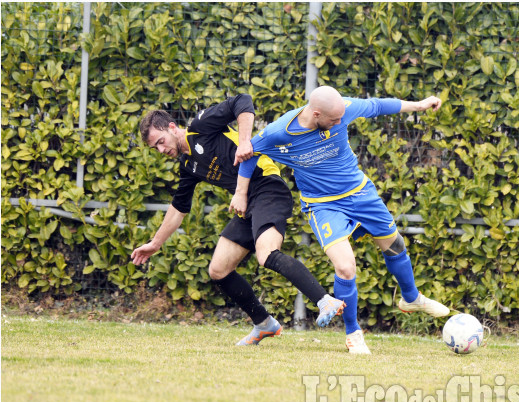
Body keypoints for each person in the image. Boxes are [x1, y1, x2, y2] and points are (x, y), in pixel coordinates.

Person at [231, 86, 450, 354]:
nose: (339, 123)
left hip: (360, 193)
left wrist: (419, 104)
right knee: (346, 268)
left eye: (341, 119)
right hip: (323, 206)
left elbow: (378, 105)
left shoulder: (342, 109)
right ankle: (353, 333)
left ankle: (411, 297)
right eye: (334, 121)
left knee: (394, 245)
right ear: (316, 114)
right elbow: (248, 154)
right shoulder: (280, 132)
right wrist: (241, 194)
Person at [131, 94, 345, 346]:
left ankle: (324, 300)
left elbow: (242, 102)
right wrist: (155, 244)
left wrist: (245, 143)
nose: (161, 149)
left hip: (267, 187)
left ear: (172, 127)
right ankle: (264, 323)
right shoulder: (188, 166)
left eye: (160, 141)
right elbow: (178, 208)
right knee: (218, 270)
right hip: (246, 204)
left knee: (267, 254)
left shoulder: (201, 126)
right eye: (154, 148)